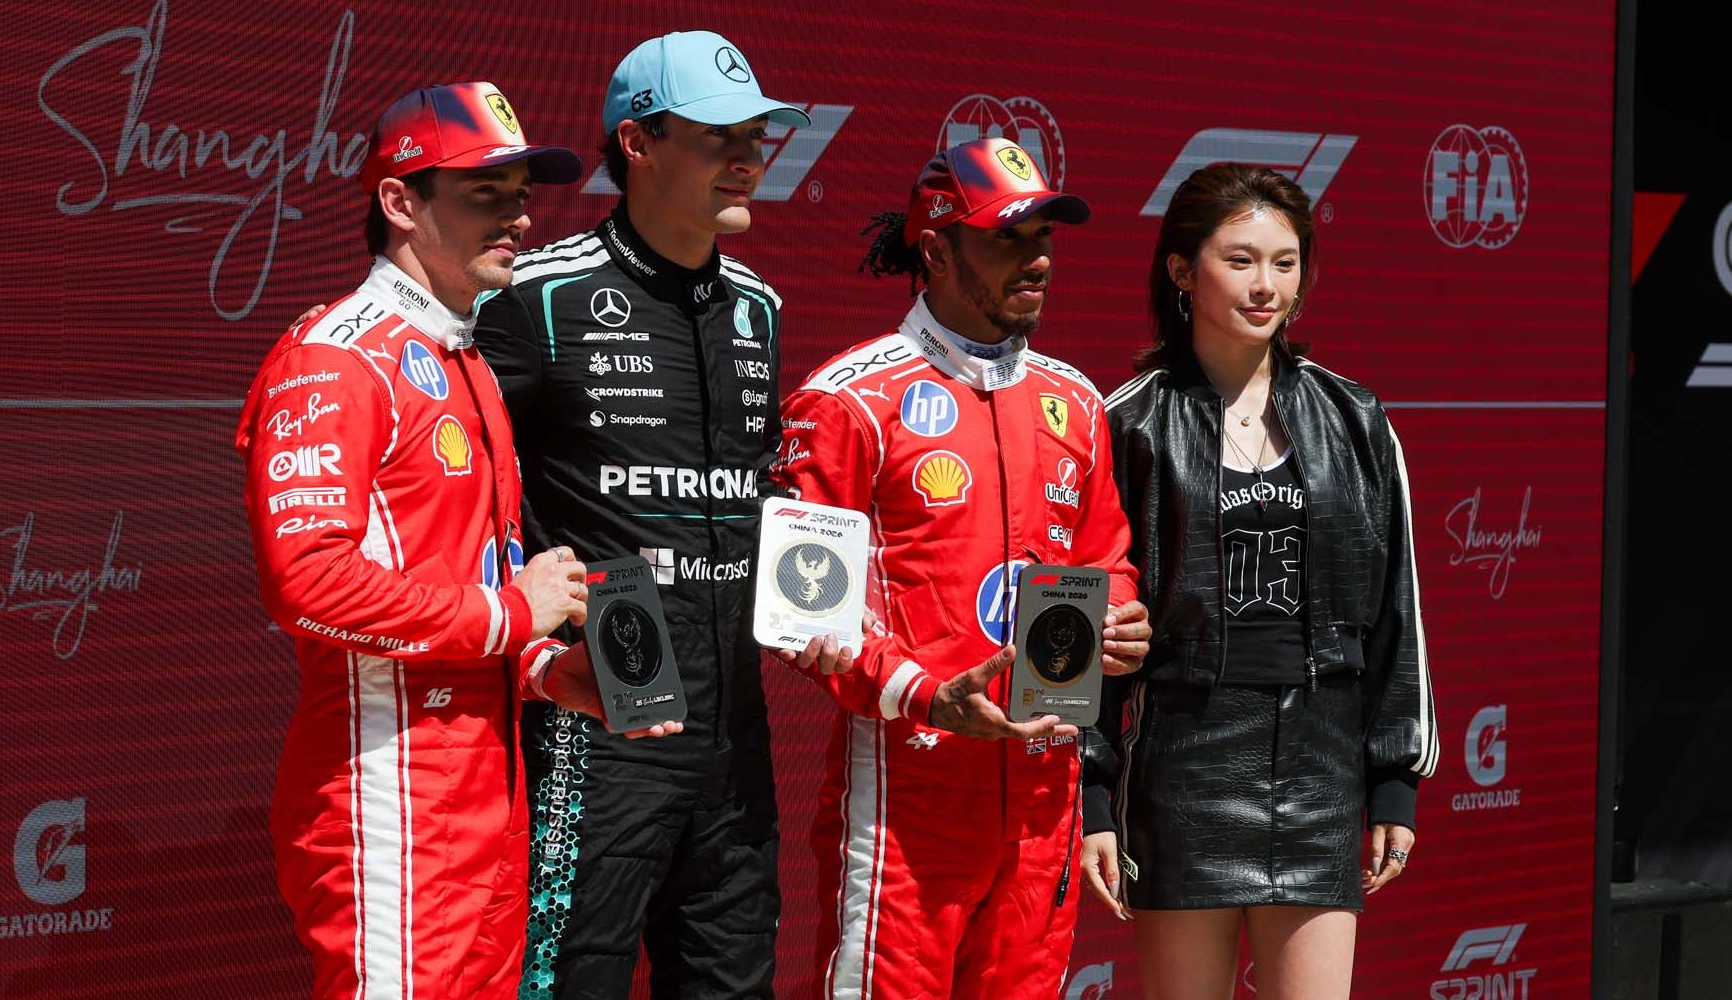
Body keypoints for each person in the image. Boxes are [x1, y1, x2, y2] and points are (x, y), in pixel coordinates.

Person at [238, 82, 676, 1000]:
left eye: (521, 193)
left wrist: (547, 669)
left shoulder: (466, 358)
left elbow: (457, 593)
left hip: (485, 797)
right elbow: (306, 583)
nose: (518, 216)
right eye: (486, 192)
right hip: (389, 799)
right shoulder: (335, 355)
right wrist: (513, 611)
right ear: (401, 202)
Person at [473, 31, 838, 999]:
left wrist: (823, 593)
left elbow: (756, 499)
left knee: (732, 982)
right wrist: (529, 642)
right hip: (598, 728)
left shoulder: (759, 306)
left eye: (758, 133)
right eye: (722, 136)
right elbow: (459, 500)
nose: (752, 155)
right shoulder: (537, 300)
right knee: (564, 981)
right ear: (636, 143)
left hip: (733, 734)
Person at [771, 136, 1152, 1000]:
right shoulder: (845, 401)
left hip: (1043, 801)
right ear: (936, 251)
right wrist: (931, 696)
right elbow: (804, 617)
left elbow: (1107, 561)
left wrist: (1123, 618)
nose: (1040, 259)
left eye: (1045, 237)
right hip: (909, 806)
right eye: (1008, 239)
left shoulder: (1077, 402)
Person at [1098, 163, 1438, 999]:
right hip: (1186, 765)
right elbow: (1088, 620)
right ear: (1182, 270)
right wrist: (1092, 795)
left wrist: (1392, 783)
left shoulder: (1358, 418)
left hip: (1322, 765)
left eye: (1286, 263)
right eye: (1241, 259)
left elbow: (1399, 613)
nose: (1267, 285)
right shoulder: (1127, 421)